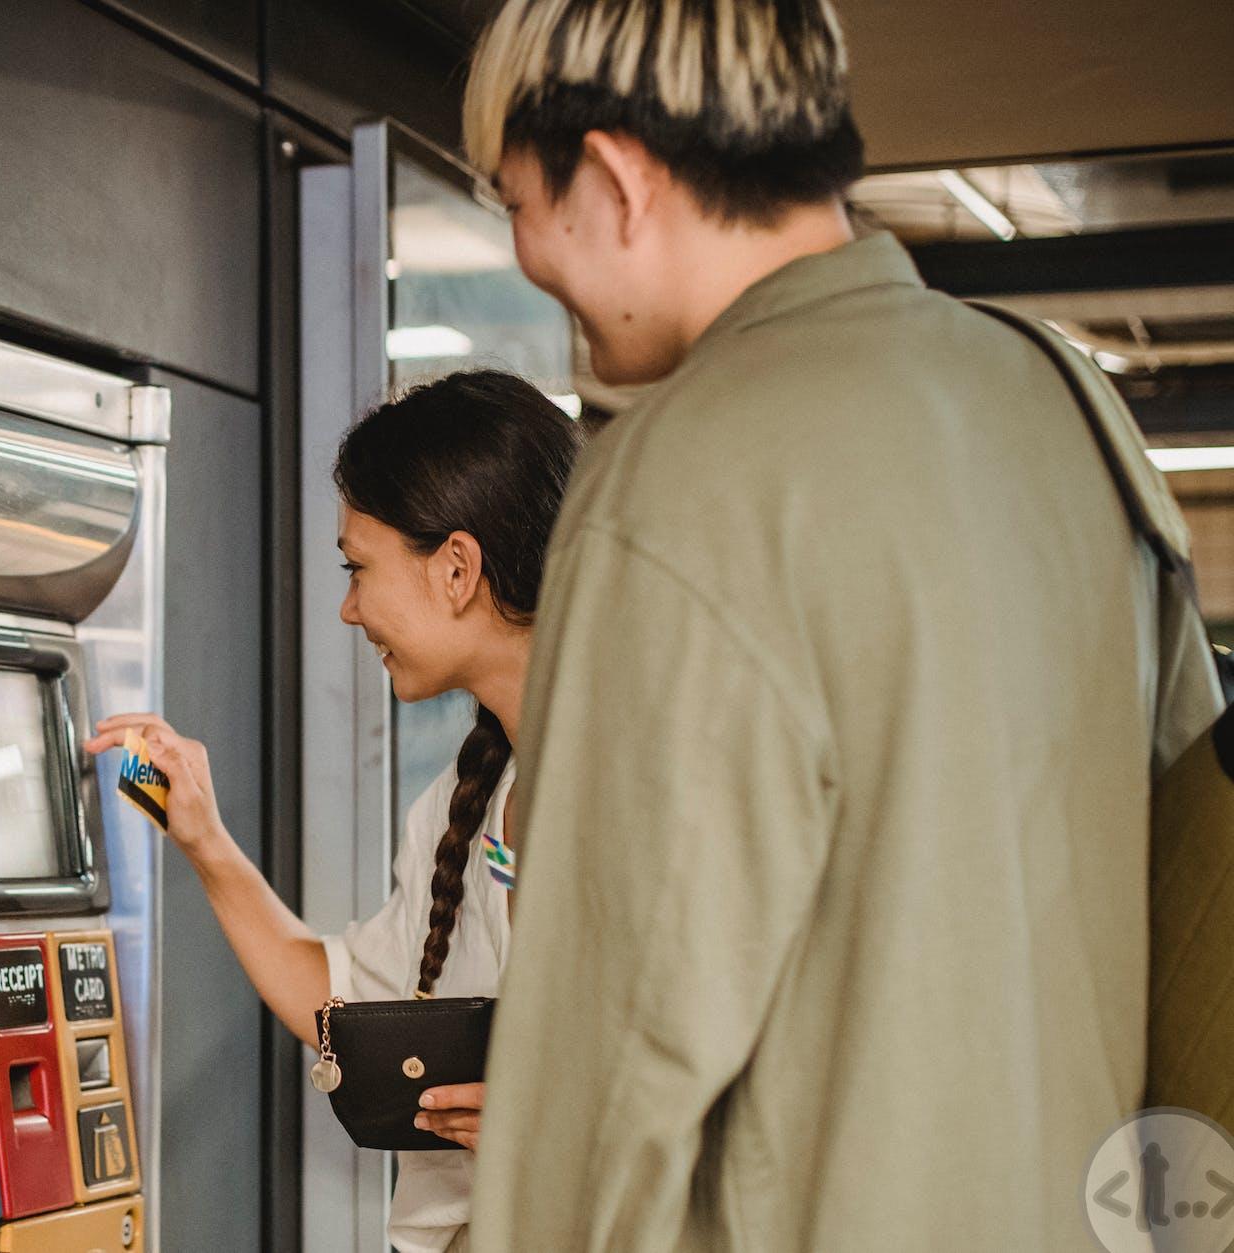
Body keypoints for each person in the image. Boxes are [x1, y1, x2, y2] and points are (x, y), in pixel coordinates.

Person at [458, 2, 1222, 1251]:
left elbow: (603, 1080)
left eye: (515, 204)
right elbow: (1187, 889)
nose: (529, 258)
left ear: (611, 178)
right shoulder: (1064, 408)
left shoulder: (678, 479)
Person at [85, 370, 581, 1253]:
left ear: (457, 568)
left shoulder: (653, 792)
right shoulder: (463, 809)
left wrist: (563, 1126)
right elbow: (344, 1005)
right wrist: (204, 838)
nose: (349, 608)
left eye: (359, 568)